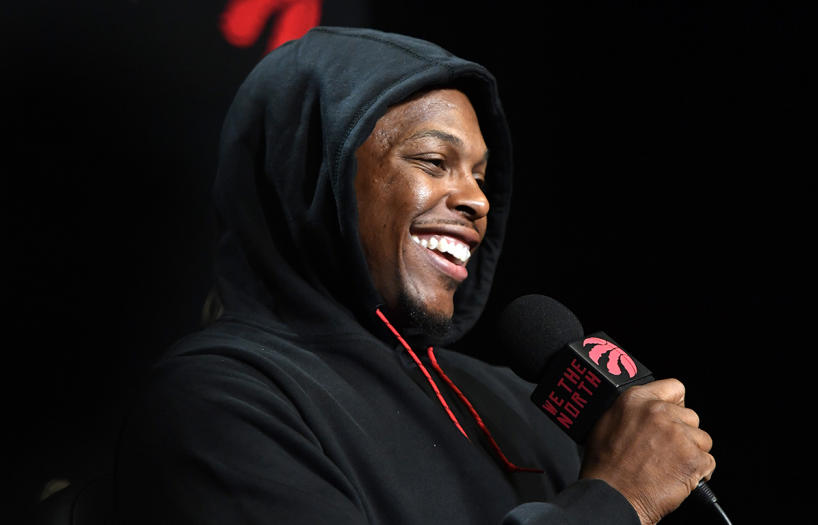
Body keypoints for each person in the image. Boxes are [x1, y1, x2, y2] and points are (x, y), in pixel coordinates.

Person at [113, 26, 715, 524]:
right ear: (313, 183)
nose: (477, 201)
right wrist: (616, 500)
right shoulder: (220, 401)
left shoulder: (514, 399)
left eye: (481, 175)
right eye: (434, 161)